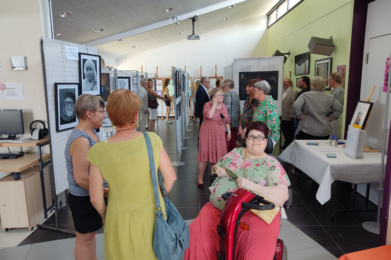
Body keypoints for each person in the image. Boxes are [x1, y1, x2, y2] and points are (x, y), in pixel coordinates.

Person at [88, 89, 177, 260]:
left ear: (109, 115)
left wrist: (104, 213)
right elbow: (171, 177)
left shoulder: (97, 151)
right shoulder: (152, 139)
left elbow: (95, 197)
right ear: (136, 115)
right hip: (152, 213)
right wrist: (158, 196)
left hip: (118, 218)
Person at [185, 121, 290, 260]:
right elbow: (216, 167)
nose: (255, 140)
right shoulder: (235, 152)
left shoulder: (271, 164)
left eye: (260, 137)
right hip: (218, 208)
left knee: (255, 255)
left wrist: (251, 186)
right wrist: (218, 170)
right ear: (246, 138)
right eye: (251, 136)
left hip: (254, 214)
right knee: (195, 239)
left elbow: (282, 196)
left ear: (266, 141)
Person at [65, 94, 108, 260]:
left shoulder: (90, 134)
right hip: (84, 198)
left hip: (92, 195)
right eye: (101, 112)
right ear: (89, 114)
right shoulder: (82, 140)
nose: (104, 115)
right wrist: (105, 192)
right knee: (85, 241)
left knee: (90, 238)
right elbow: (82, 178)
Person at [197, 88, 230, 187]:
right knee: (204, 155)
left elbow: (227, 120)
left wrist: (229, 131)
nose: (222, 96)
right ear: (213, 97)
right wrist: (214, 104)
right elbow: (210, 116)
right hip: (207, 132)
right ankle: (200, 177)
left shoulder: (223, 106)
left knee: (216, 154)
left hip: (219, 133)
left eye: (222, 95)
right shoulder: (207, 105)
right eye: (220, 95)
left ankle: (213, 176)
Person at [252, 80, 280, 147]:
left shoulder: (269, 103)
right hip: (259, 137)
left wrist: (264, 141)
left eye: (254, 90)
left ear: (261, 91)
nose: (253, 92)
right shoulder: (262, 102)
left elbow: (271, 124)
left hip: (265, 139)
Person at [238, 79, 260, 144]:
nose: (246, 88)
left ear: (254, 88)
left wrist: (245, 130)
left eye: (248, 87)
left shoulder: (257, 101)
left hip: (251, 130)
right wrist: (240, 127)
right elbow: (243, 113)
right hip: (242, 129)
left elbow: (254, 118)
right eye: (246, 86)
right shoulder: (248, 99)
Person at [222, 79, 240, 151]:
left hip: (228, 120)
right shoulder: (236, 94)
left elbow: (226, 108)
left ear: (227, 87)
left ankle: (225, 155)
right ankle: (234, 154)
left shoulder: (227, 94)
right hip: (235, 120)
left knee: (226, 138)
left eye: (223, 87)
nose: (223, 89)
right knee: (232, 138)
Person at [281, 78, 298, 149]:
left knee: (289, 134)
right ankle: (286, 145)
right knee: (284, 132)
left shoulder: (294, 92)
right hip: (282, 116)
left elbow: (295, 105)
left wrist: (292, 115)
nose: (284, 83)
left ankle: (289, 148)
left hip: (289, 116)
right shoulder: (281, 92)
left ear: (290, 83)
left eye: (286, 82)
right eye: (283, 82)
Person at [328, 72, 345, 139]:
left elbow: (337, 107)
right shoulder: (335, 91)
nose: (328, 81)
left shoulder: (339, 92)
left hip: (335, 118)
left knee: (334, 138)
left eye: (329, 79)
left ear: (334, 80)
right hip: (332, 118)